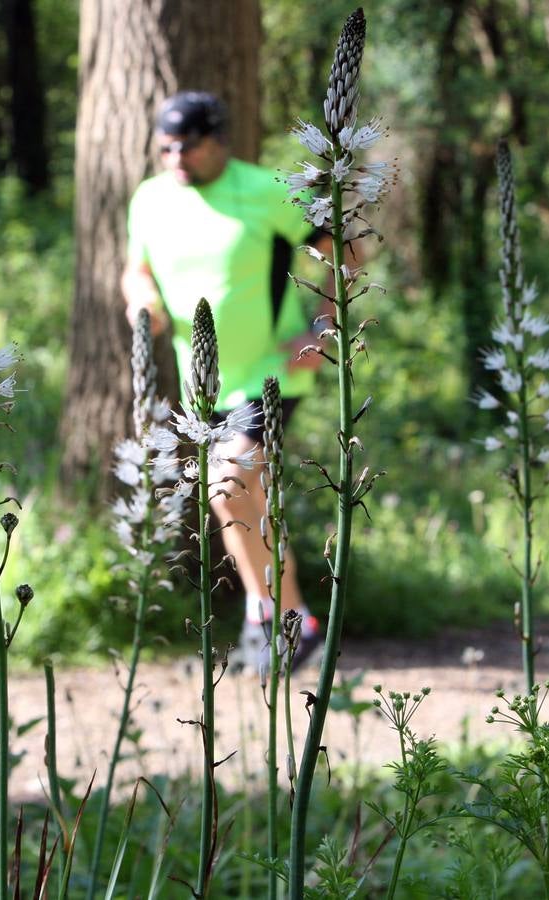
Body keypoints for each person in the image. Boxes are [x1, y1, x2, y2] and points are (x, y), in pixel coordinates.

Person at [122, 91, 347, 672]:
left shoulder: (264, 189)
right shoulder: (149, 200)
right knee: (238, 501)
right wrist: (143, 302)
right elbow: (137, 269)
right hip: (202, 382)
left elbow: (339, 248)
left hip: (270, 373)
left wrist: (322, 329)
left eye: (188, 147)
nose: (175, 159)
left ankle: (272, 619)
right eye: (165, 147)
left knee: (229, 480)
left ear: (218, 141)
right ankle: (284, 619)